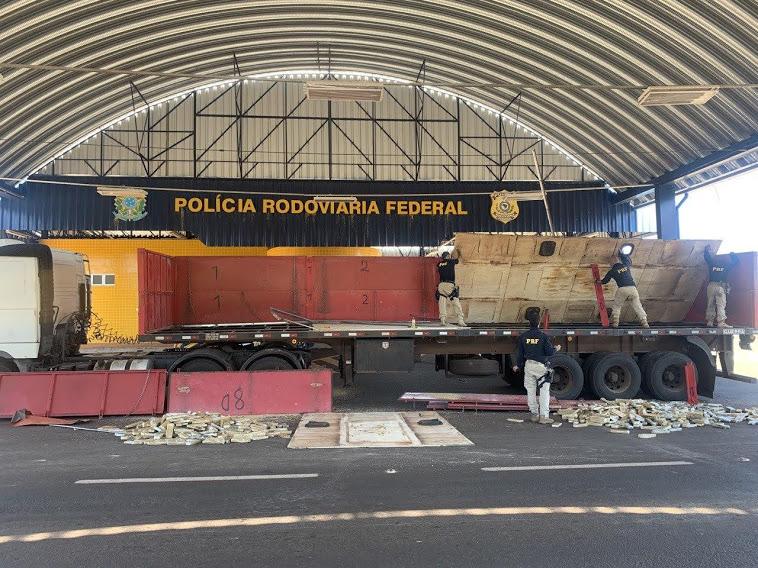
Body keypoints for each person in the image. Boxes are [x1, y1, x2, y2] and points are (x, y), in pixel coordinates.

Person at [512, 309, 561, 424]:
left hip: (529, 366)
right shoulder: (543, 336)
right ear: (539, 323)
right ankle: (544, 416)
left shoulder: (524, 336)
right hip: (540, 367)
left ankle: (534, 414)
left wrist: (517, 365)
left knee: (530, 391)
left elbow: (520, 354)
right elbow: (549, 352)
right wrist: (556, 348)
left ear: (529, 323)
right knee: (544, 391)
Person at [597, 247, 649, 328]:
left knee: (617, 306)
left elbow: (605, 281)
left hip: (622, 289)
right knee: (638, 306)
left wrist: (598, 282)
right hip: (633, 289)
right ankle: (645, 322)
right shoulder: (625, 265)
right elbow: (628, 261)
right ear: (618, 261)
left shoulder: (612, 271)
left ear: (611, 264)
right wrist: (621, 254)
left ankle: (615, 323)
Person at [704, 245, 739, 327]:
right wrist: (732, 254)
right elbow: (735, 262)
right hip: (720, 288)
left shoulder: (712, 264)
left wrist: (706, 250)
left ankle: (710, 321)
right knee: (721, 305)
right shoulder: (726, 266)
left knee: (710, 304)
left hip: (711, 286)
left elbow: (707, 258)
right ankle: (721, 323)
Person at [437, 249, 466, 326]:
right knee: (455, 301)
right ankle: (460, 319)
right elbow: (457, 260)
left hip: (441, 286)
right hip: (449, 285)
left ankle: (443, 319)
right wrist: (457, 254)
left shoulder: (439, 264)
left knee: (442, 302)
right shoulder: (451, 261)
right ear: (448, 256)